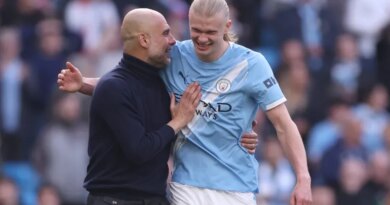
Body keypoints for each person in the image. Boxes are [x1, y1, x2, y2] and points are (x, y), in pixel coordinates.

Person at [58, 1, 312, 204]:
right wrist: (83, 84)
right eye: (196, 30)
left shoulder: (253, 64)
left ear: (227, 26)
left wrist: (303, 177)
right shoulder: (175, 55)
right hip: (184, 187)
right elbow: (125, 85)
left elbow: (283, 124)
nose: (201, 39)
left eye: (210, 32)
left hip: (236, 187)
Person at [67, 8, 202, 205]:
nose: (173, 40)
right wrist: (177, 122)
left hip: (155, 198)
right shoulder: (114, 87)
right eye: (165, 33)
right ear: (144, 40)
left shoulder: (159, 82)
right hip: (115, 200)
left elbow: (166, 141)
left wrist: (241, 134)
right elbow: (139, 151)